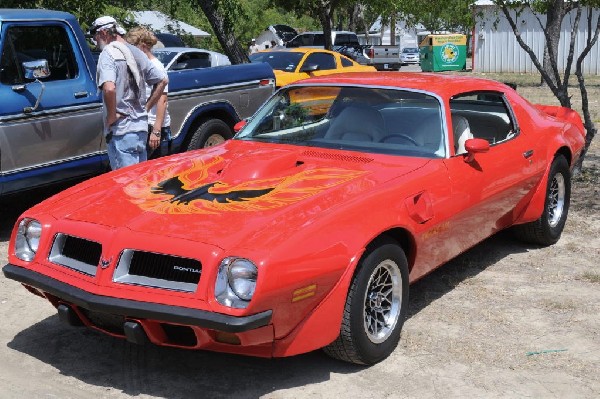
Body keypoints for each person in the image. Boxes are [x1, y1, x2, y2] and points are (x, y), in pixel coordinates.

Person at [90, 16, 168, 170]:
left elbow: (109, 88)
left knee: (126, 186)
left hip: (121, 131)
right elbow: (162, 81)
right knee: (140, 182)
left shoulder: (108, 52)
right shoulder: (136, 51)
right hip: (140, 130)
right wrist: (144, 109)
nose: (95, 40)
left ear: (104, 32)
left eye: (96, 35)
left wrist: (112, 116)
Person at [125, 27, 171, 158]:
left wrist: (156, 131)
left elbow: (162, 100)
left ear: (143, 46)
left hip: (155, 126)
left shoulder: (156, 66)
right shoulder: (140, 65)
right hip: (143, 123)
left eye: (133, 47)